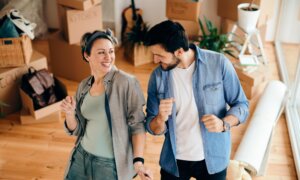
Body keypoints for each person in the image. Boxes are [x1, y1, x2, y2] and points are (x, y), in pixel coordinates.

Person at [144, 20, 249, 180]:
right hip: (174, 162)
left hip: (213, 160)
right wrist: (159, 118)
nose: (155, 60)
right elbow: (152, 126)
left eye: (160, 55)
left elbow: (241, 104)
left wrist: (223, 124)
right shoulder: (157, 77)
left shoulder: (218, 64)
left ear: (179, 51)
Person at [61, 29, 152, 180]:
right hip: (81, 156)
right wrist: (69, 114)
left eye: (111, 51)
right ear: (87, 55)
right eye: (101, 52)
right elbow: (76, 130)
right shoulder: (84, 86)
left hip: (108, 166)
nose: (108, 57)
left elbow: (138, 125)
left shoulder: (126, 82)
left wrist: (138, 163)